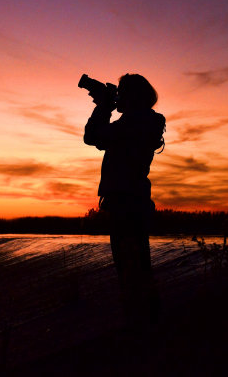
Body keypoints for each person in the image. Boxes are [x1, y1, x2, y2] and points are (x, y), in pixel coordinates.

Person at [83, 73, 165, 325]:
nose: (118, 95)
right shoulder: (141, 121)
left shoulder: (136, 123)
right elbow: (99, 138)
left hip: (126, 201)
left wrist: (104, 106)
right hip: (133, 199)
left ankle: (140, 324)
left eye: (122, 91)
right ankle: (145, 319)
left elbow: (93, 137)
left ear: (132, 97)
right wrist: (107, 104)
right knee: (137, 264)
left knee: (131, 266)